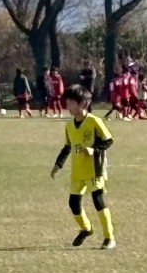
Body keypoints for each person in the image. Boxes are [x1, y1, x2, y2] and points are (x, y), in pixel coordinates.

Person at [50, 85, 116, 250]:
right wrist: (58, 164)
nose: (68, 106)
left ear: (82, 104)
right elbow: (68, 147)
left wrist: (94, 150)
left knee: (98, 201)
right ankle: (86, 229)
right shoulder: (69, 126)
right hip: (77, 170)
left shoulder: (94, 122)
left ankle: (109, 238)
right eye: (67, 102)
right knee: (73, 203)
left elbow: (108, 140)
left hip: (94, 169)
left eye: (71, 103)